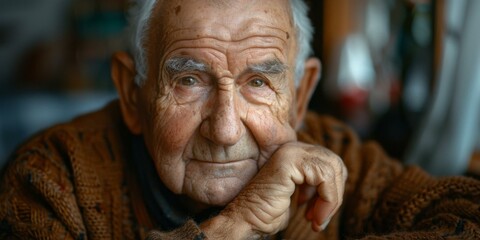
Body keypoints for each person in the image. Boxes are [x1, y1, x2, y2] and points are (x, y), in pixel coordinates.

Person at [0, 0, 479, 239]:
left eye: (259, 83)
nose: (226, 129)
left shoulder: (338, 159)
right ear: (132, 94)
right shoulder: (48, 178)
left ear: (301, 94)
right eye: (189, 80)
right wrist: (236, 226)